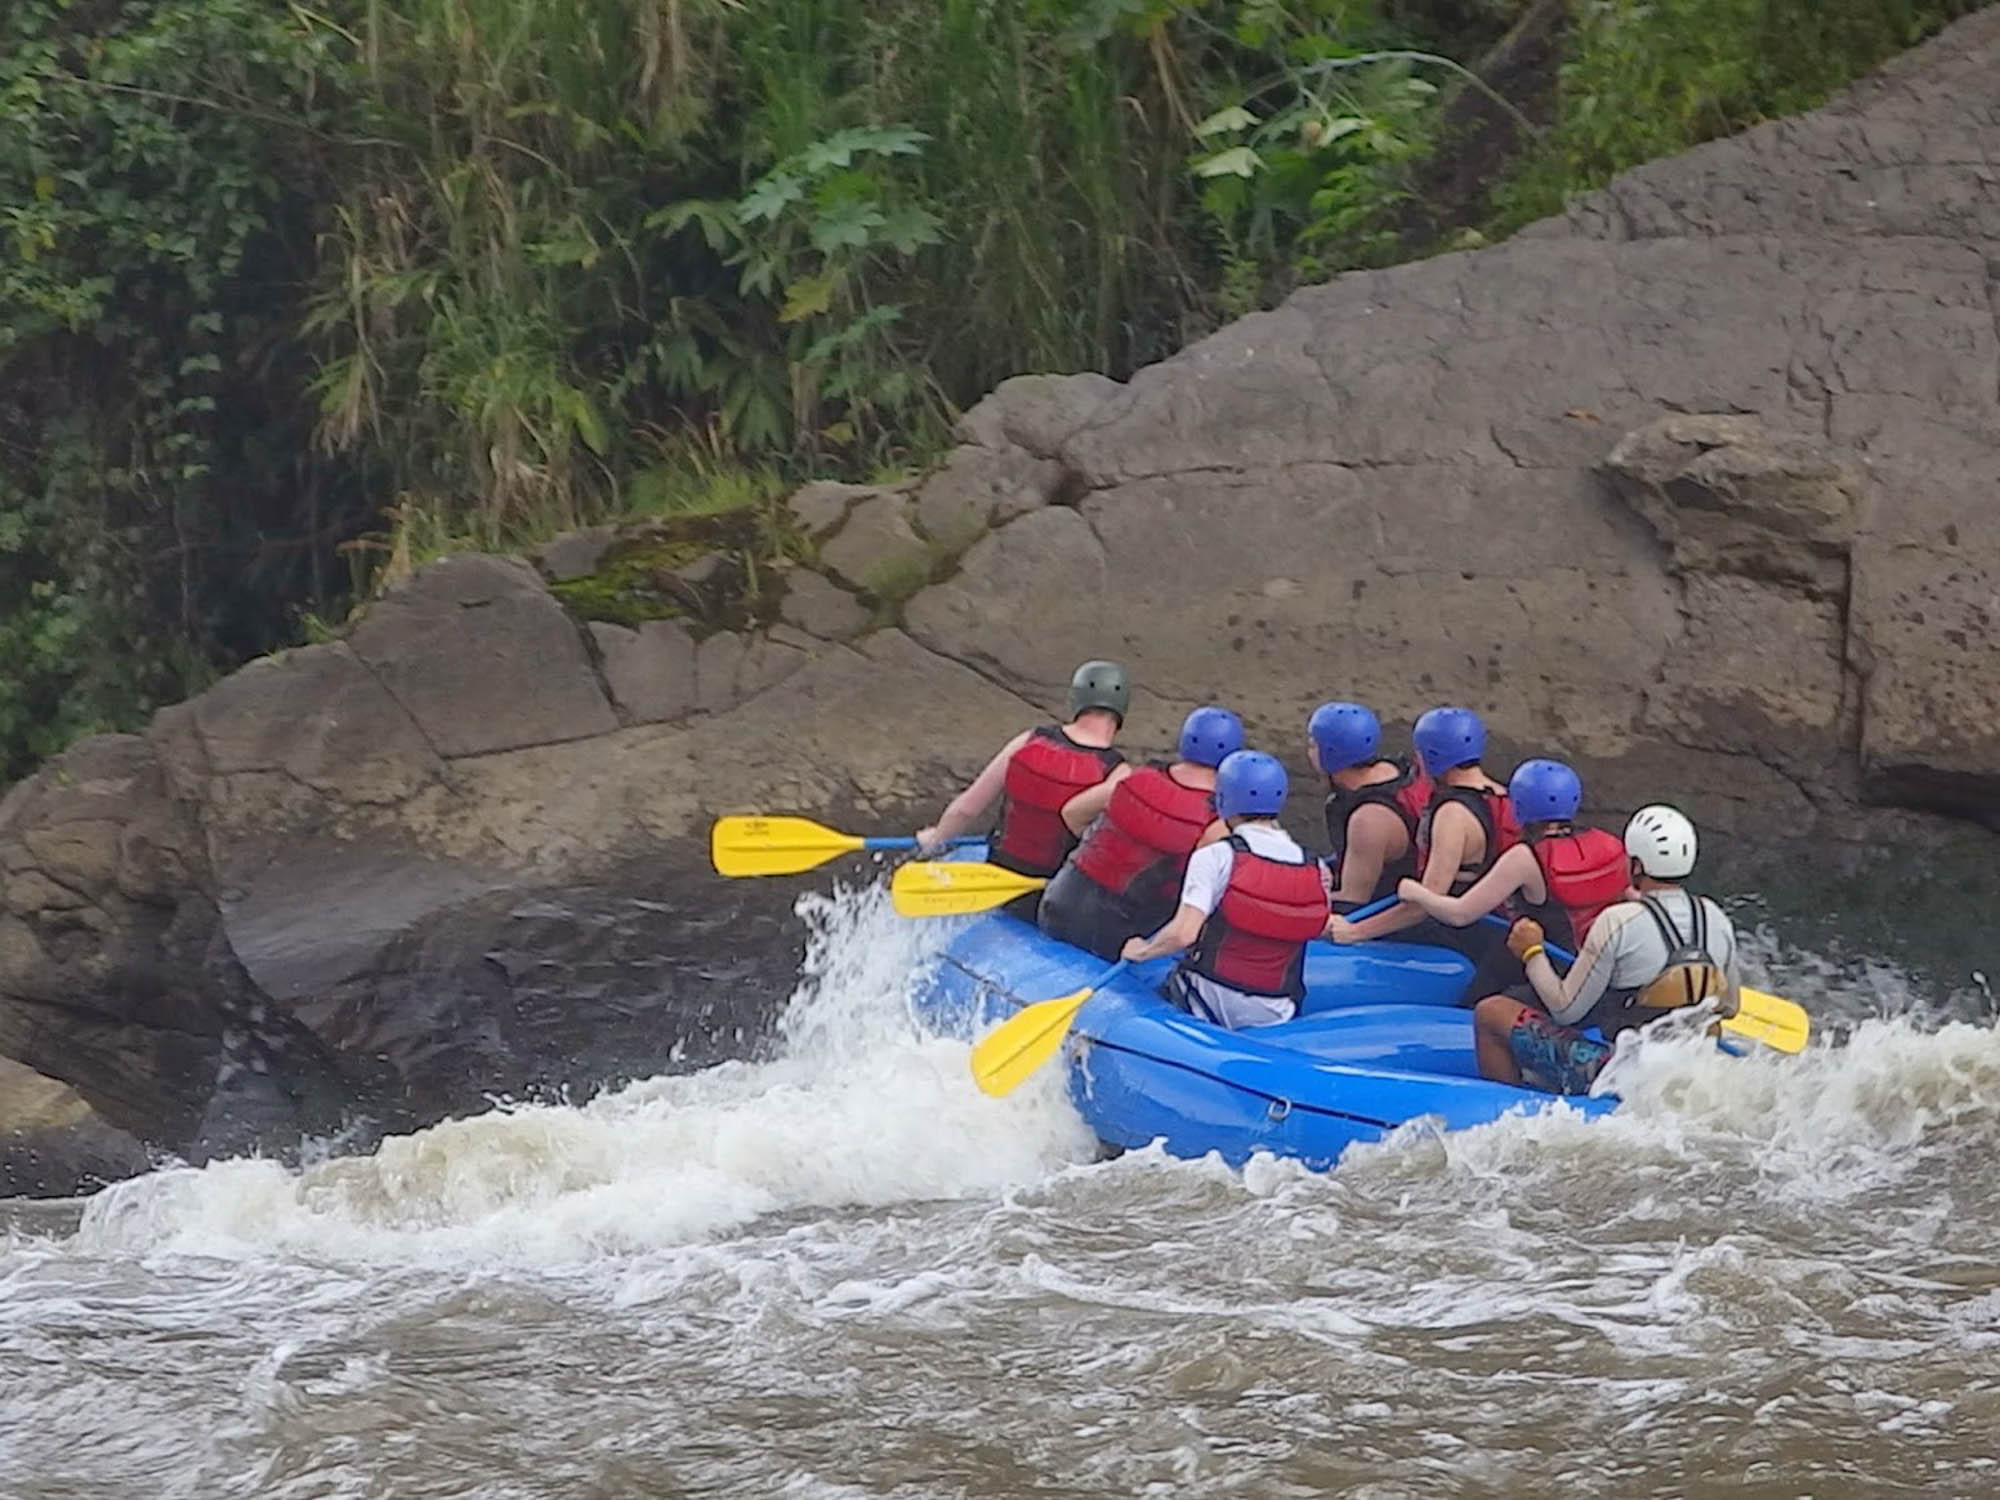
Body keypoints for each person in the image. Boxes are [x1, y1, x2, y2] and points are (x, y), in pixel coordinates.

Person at [1472, 804, 1740, 1095]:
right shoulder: (1717, 918)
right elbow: (1730, 1008)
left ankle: (1506, 1104)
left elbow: (1565, 1010)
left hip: (1623, 1076)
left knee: (1490, 1011)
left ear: (1636, 865)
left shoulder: (1617, 920)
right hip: (1695, 1072)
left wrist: (1532, 953)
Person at [1121, 750, 1329, 1030]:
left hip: (1204, 1000)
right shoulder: (1315, 867)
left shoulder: (1216, 856)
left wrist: (1143, 951)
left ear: (1223, 800)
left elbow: (1184, 934)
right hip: (1277, 1012)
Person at [916, 659, 1129, 919]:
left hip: (998, 873)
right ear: (1121, 710)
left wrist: (936, 840)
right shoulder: (1118, 774)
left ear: (1077, 699)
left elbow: (965, 809)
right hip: (1048, 897)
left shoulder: (1029, 741)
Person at [1037, 706, 1239, 961]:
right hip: (1117, 934)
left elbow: (1072, 813)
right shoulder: (1216, 822)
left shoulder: (1138, 777)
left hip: (1058, 903)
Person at [1326, 705, 1517, 956]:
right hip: (1500, 924)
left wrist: (1355, 931)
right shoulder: (1504, 795)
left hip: (1466, 936)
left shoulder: (1453, 816)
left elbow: (1425, 904)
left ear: (1430, 757)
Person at [1392, 757, 1629, 959]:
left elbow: (1459, 914)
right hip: (1591, 961)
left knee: (1478, 995)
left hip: (1545, 960)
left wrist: (1415, 892)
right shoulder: (1608, 842)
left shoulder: (1524, 858)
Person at [1308, 701, 1430, 912]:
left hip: (1402, 919)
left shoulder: (1368, 820)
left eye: (1312, 745)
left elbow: (1352, 901)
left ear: (1330, 754)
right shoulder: (1393, 770)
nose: (1308, 752)